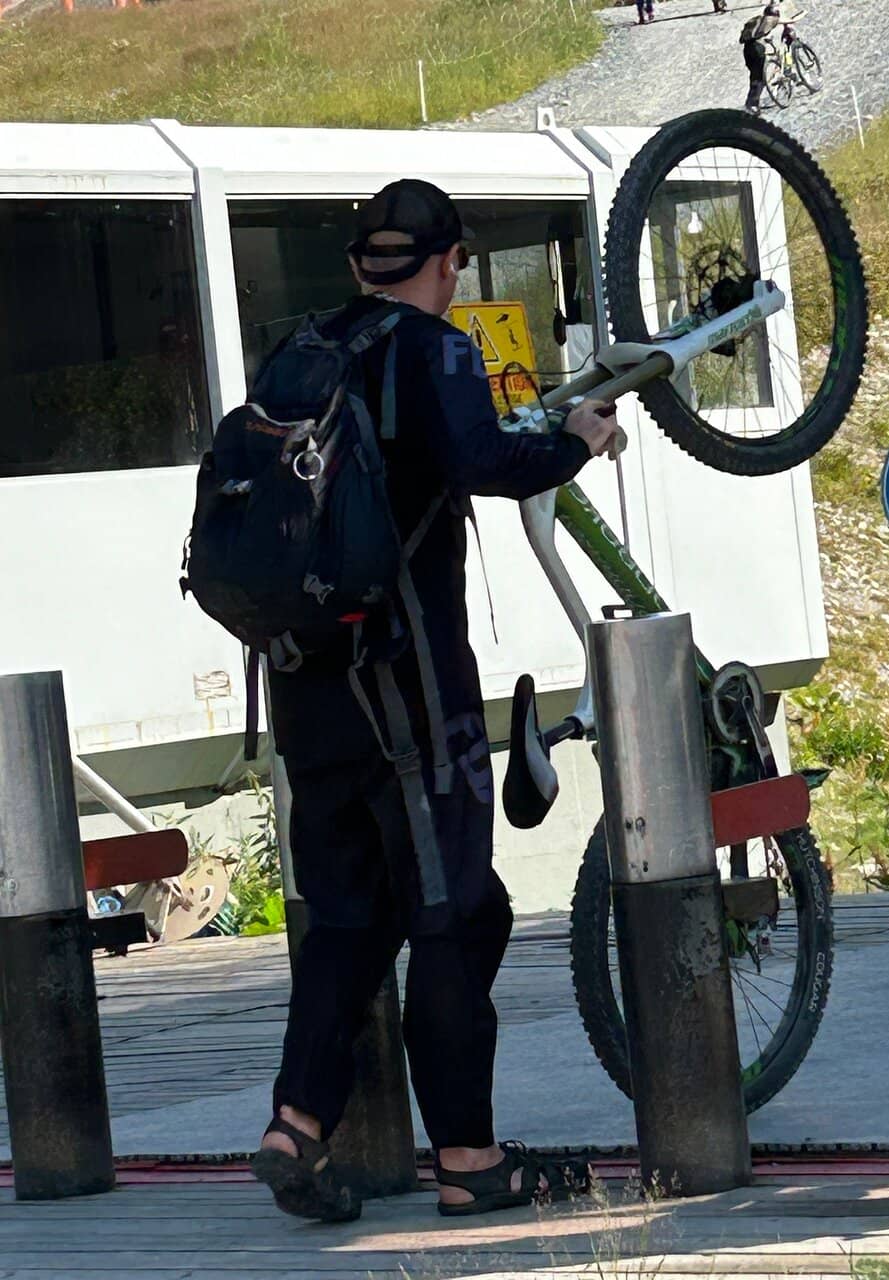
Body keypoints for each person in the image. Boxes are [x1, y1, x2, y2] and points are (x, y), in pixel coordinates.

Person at [248, 178, 621, 1222]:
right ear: (451, 263)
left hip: (305, 685)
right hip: (409, 690)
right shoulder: (436, 350)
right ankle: (468, 1159)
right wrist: (578, 440)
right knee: (456, 910)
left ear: (359, 263)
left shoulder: (295, 352)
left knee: (350, 915)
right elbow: (487, 460)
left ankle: (295, 1125)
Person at [742, 2, 782, 113]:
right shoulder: (771, 20)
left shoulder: (756, 20)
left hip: (747, 48)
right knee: (759, 78)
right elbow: (785, 21)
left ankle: (750, 100)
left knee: (753, 75)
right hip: (758, 49)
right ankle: (752, 104)